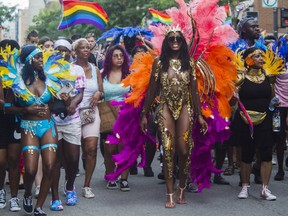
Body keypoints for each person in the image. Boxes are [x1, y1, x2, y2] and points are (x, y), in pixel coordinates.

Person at [140, 28, 208, 208]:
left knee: (184, 150)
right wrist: (144, 114)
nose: (175, 41)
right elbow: (152, 89)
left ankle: (182, 187)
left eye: (178, 39)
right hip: (165, 108)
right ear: (166, 42)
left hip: (185, 107)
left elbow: (193, 91)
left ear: (182, 42)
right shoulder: (159, 63)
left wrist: (200, 115)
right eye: (171, 39)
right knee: (168, 149)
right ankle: (170, 193)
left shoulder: (190, 63)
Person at [236, 47, 277, 201]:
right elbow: (233, 101)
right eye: (258, 56)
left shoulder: (268, 77)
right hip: (245, 120)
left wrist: (275, 103)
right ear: (248, 60)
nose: (262, 59)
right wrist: (233, 95)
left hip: (265, 118)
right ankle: (245, 187)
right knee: (247, 154)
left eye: (262, 56)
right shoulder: (240, 78)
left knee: (266, 154)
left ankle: (265, 189)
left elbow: (272, 96)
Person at [50, 38, 85, 209]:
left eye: (65, 50)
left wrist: (72, 103)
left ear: (71, 52)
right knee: (55, 161)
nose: (62, 54)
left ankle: (70, 187)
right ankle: (55, 197)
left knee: (72, 159)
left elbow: (80, 91)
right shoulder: (49, 70)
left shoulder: (76, 69)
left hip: (72, 120)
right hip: (53, 121)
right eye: (59, 50)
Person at [74, 38, 103, 198]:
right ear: (76, 51)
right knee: (72, 153)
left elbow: (102, 91)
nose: (86, 50)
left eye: (88, 47)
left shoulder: (95, 69)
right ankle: (69, 184)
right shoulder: (70, 69)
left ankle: (87, 185)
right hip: (73, 114)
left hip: (92, 113)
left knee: (91, 149)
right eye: (82, 48)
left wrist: (99, 93)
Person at [101, 44, 131, 191]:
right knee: (109, 148)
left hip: (126, 115)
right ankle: (111, 175)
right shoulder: (102, 74)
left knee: (125, 146)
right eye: (115, 56)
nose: (119, 58)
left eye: (121, 56)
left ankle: (124, 179)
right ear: (109, 58)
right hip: (108, 115)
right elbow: (99, 92)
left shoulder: (130, 74)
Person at [0, 40, 22, 212]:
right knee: (1, 161)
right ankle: (1, 191)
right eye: (5, 52)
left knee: (14, 160)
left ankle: (14, 197)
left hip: (15, 121)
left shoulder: (21, 74)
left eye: (13, 52)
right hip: (1, 120)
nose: (9, 55)